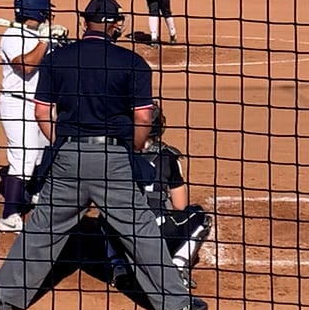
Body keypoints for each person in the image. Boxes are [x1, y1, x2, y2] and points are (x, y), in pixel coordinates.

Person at [0, 0, 208, 310]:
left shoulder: (58, 60)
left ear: (84, 22)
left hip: (68, 157)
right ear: (116, 25)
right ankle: (174, 304)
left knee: (43, 227)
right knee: (140, 230)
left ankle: (6, 295)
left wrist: (63, 144)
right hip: (113, 158)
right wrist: (133, 149)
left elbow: (41, 111)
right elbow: (143, 117)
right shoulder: (132, 63)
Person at [50, 102, 214, 295]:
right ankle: (178, 266)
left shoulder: (114, 154)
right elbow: (180, 206)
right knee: (200, 216)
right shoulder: (169, 157)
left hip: (125, 235)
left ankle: (118, 266)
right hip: (160, 238)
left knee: (105, 215)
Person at [0, 0, 65, 231]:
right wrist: (45, 40)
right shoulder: (13, 36)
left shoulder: (38, 35)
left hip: (42, 105)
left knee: (46, 151)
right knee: (24, 157)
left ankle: (34, 192)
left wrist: (60, 42)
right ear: (39, 11)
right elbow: (26, 66)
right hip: (18, 104)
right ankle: (9, 215)